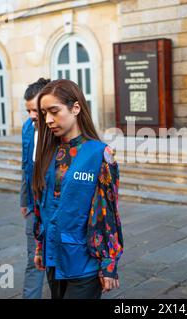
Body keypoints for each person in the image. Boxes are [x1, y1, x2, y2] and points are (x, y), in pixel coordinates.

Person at [31, 79, 123, 299]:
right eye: (44, 113)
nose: (48, 120)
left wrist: (109, 262)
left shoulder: (100, 154)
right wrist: (39, 246)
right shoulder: (48, 152)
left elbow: (107, 211)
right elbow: (40, 204)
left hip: (84, 260)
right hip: (53, 255)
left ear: (75, 108)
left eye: (54, 111)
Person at [20, 78, 50, 298]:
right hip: (34, 205)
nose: (31, 115)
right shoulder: (27, 128)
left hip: (57, 208)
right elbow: (25, 165)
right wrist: (24, 201)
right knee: (34, 260)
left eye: (35, 110)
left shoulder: (60, 129)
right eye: (28, 110)